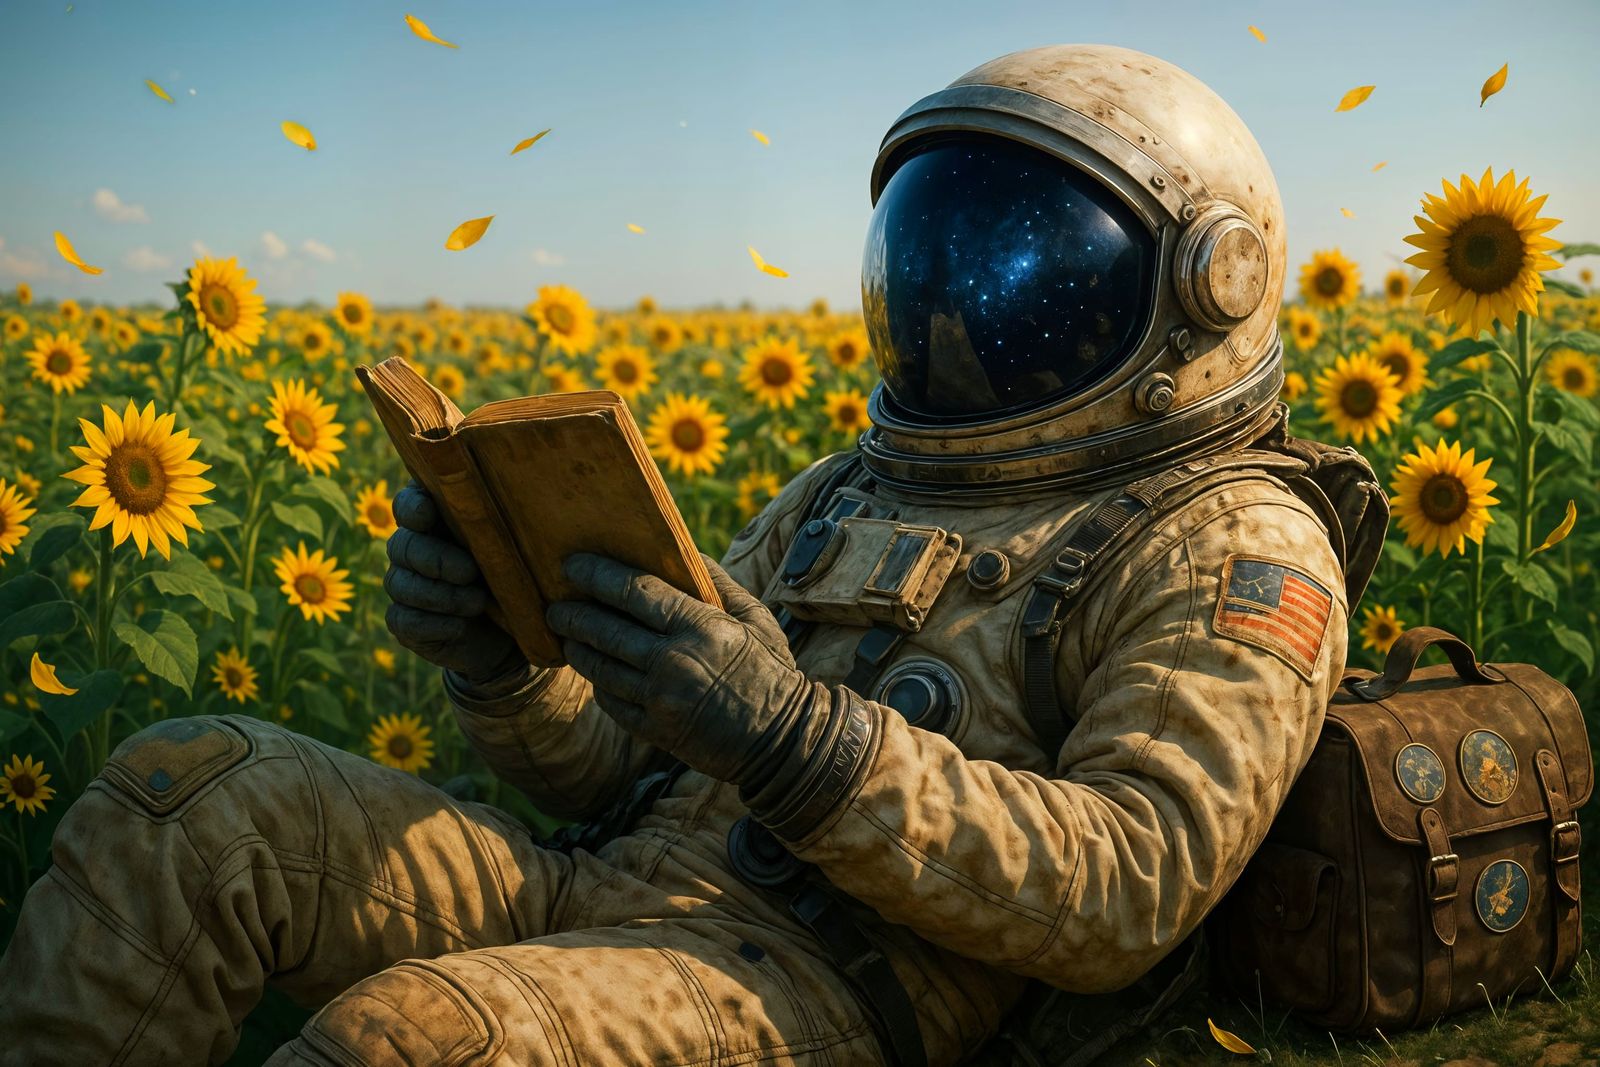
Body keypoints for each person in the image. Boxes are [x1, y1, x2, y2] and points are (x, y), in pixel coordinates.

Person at [0, 44, 1355, 1066]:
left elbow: (1128, 888)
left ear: (1200, 288)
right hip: (609, 890)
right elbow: (618, 770)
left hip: (822, 989)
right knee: (189, 799)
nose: (963, 305)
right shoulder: (851, 487)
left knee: (418, 1042)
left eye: (1033, 269)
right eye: (943, 254)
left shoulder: (1233, 538)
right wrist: (508, 665)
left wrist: (797, 741)